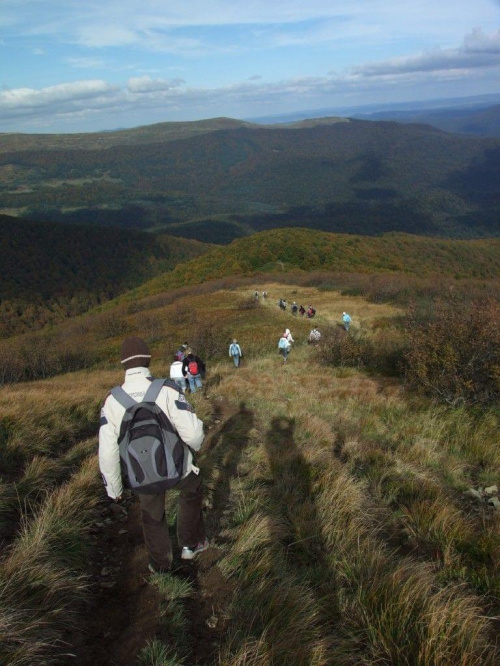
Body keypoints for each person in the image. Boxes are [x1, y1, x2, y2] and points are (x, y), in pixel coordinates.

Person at [99, 337, 208, 572]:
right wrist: (197, 446)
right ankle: (190, 544)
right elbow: (193, 432)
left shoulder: (112, 401)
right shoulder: (166, 388)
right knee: (193, 487)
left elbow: (107, 452)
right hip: (178, 466)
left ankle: (160, 564)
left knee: (152, 515)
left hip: (141, 474)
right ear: (148, 360)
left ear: (123, 364)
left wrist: (115, 490)